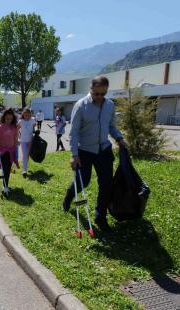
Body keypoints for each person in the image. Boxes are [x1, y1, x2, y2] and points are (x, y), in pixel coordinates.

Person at [62, 76, 125, 232]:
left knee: (106, 185)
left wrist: (119, 138)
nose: (99, 97)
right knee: (84, 180)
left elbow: (111, 126)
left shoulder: (110, 105)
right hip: (85, 151)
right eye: (96, 93)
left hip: (104, 150)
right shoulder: (80, 105)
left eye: (103, 94)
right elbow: (74, 132)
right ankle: (69, 195)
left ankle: (100, 217)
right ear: (90, 90)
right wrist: (74, 154)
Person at [0, 108, 19, 195]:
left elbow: (16, 139)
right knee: (5, 169)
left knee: (8, 169)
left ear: (13, 118)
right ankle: (5, 187)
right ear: (4, 118)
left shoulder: (14, 127)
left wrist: (16, 150)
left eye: (11, 119)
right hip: (3, 151)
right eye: (7, 119)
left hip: (11, 151)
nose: (9, 120)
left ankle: (6, 185)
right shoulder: (0, 127)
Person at [17, 107, 36, 177]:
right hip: (23, 141)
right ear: (23, 114)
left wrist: (35, 132)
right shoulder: (21, 121)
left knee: (27, 155)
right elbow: (17, 129)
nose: (27, 116)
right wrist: (17, 138)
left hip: (30, 141)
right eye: (26, 115)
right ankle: (24, 170)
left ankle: (26, 167)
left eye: (29, 115)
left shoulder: (33, 120)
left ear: (31, 115)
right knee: (25, 155)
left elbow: (34, 128)